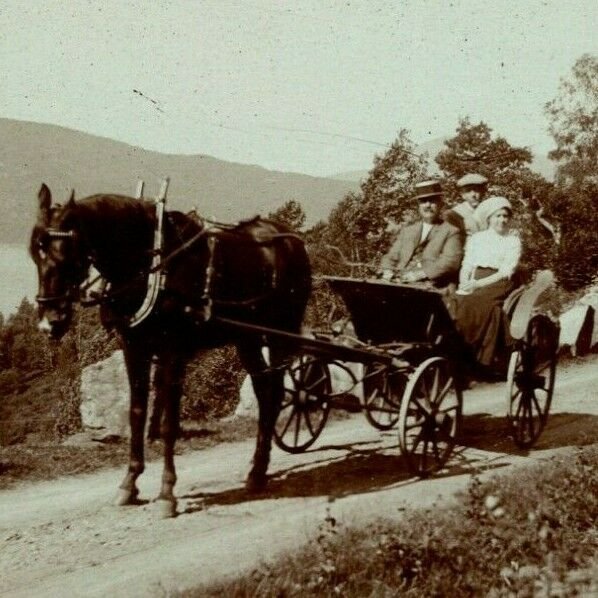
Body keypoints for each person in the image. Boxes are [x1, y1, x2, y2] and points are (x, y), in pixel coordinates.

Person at [454, 196, 522, 368]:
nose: (502, 220)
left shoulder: (513, 241)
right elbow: (467, 264)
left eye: (505, 216)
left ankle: (479, 353)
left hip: (500, 281)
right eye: (497, 216)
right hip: (475, 277)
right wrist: (464, 283)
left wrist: (477, 285)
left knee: (479, 302)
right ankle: (460, 346)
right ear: (489, 219)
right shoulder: (477, 239)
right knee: (458, 300)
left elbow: (506, 271)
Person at [379, 180, 463, 288]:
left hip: (430, 284)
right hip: (399, 282)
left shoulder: (451, 231)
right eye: (423, 201)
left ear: (441, 204)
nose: (427, 205)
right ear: (418, 205)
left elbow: (450, 261)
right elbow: (391, 256)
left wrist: (421, 274)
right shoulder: (408, 231)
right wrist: (387, 270)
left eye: (432, 201)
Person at [444, 173, 489, 238]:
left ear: (483, 192)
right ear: (463, 195)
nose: (473, 195)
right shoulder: (456, 213)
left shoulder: (489, 210)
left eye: (476, 190)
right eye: (468, 191)